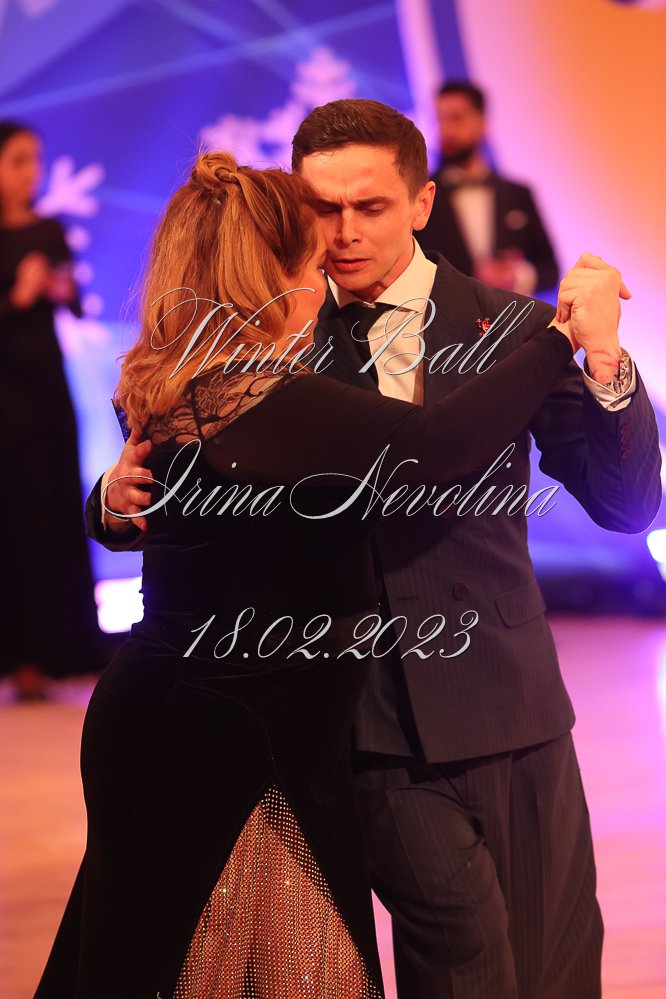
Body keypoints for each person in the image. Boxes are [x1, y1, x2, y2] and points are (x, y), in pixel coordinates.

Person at [91, 101, 662, 999]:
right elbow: (171, 452)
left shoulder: (507, 327)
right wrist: (110, 503)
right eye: (323, 208)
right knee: (463, 964)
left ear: (422, 203)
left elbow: (629, 507)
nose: (344, 231)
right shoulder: (268, 336)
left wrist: (606, 365)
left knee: (556, 971)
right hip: (361, 726)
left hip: (510, 701)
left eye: (371, 206)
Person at [0, 120, 100, 701]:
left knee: (55, 511)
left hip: (48, 393)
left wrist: (60, 290)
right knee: (13, 521)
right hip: (5, 400)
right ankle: (20, 659)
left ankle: (63, 650)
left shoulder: (48, 229)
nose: (30, 172)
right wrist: (16, 297)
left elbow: (78, 305)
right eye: (17, 160)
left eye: (34, 160)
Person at [416, 81, 559, 295]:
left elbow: (551, 270)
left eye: (456, 118)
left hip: (510, 313)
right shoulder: (422, 196)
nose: (446, 130)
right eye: (439, 119)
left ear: (483, 123)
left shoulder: (518, 194)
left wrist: (517, 276)